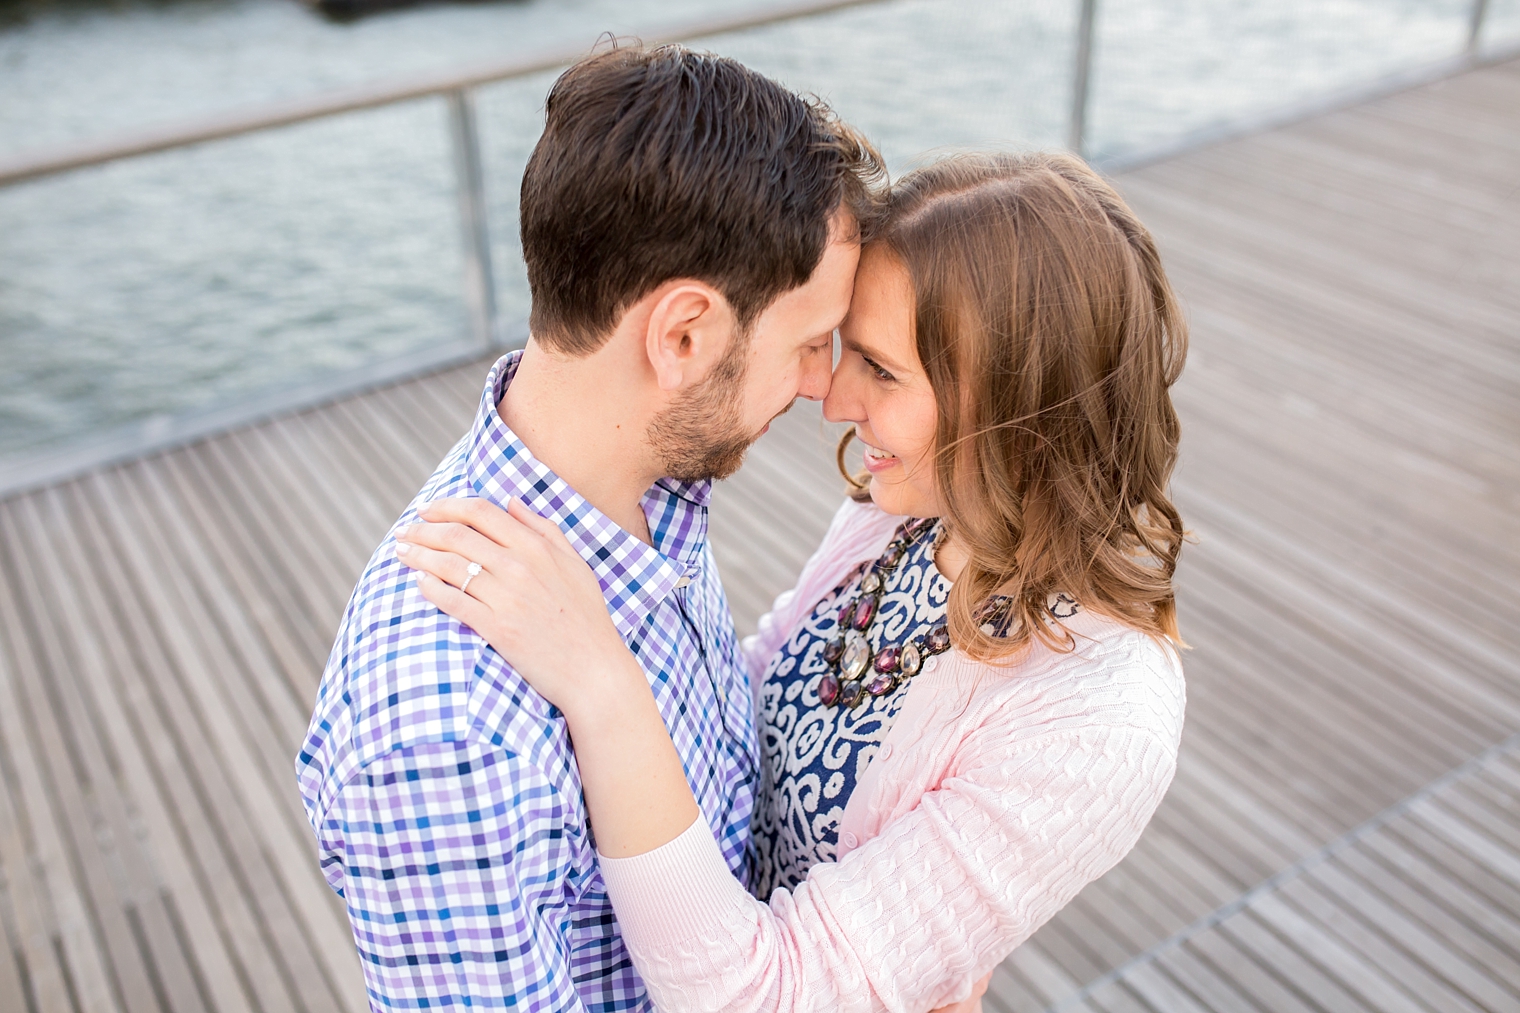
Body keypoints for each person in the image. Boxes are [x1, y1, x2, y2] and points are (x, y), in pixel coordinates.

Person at [396, 151, 1190, 1012]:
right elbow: (758, 690)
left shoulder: (1098, 713)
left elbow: (757, 997)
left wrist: (601, 684)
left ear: (1013, 404)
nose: (833, 395)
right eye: (841, 347)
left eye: (881, 370)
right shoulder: (900, 513)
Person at [295, 44, 884, 1011]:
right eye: (810, 343)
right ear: (683, 335)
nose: (824, 387)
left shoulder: (646, 484)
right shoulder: (450, 737)